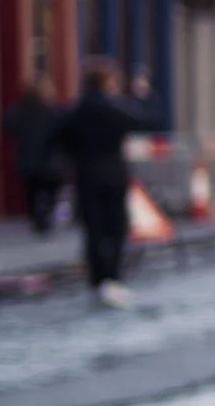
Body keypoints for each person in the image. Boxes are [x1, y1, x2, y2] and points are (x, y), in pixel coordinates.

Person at [49, 58, 159, 305]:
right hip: (113, 173)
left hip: (86, 174)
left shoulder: (74, 111)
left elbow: (57, 138)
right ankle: (112, 276)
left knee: (93, 228)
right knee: (116, 227)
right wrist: (143, 96)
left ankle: (98, 278)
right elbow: (144, 121)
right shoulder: (114, 109)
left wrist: (73, 156)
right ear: (107, 82)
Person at [4, 72, 64, 234]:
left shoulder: (20, 110)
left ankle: (37, 217)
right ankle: (45, 216)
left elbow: (8, 125)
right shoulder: (53, 110)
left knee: (32, 191)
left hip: (29, 159)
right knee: (50, 190)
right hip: (50, 160)